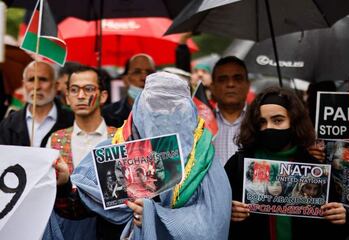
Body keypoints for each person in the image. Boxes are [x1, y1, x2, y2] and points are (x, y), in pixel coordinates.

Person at [51, 71, 232, 239]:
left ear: (190, 111)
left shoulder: (203, 159)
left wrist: (153, 216)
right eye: (154, 105)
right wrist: (64, 184)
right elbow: (77, 210)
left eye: (173, 107)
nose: (163, 114)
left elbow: (214, 224)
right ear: (138, 108)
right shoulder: (114, 149)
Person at [225, 86, 349, 240]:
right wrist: (228, 212)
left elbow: (331, 228)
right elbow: (215, 215)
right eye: (262, 122)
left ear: (293, 122)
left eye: (278, 120)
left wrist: (340, 217)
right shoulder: (239, 164)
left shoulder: (314, 168)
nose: (269, 127)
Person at [47, 65, 121, 240]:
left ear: (103, 96)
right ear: (67, 97)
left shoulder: (119, 138)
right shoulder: (56, 140)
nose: (81, 96)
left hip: (110, 231)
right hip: (66, 230)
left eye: (88, 89)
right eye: (74, 90)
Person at [0, 61, 73, 147]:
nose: (36, 86)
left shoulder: (72, 121)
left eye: (43, 80)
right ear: (24, 84)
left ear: (56, 85)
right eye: (31, 80)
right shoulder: (9, 123)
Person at [210, 56, 250, 166]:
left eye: (237, 78)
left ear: (248, 85)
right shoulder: (201, 124)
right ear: (212, 87)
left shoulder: (259, 122)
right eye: (223, 79)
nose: (230, 84)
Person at [102, 53, 156, 127]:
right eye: (137, 72)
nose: (144, 77)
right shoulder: (108, 114)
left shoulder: (166, 112)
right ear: (125, 79)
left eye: (149, 72)